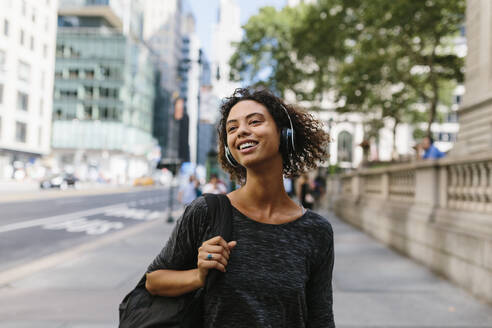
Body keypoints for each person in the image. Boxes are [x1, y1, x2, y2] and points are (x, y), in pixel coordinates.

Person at [145, 87, 335, 327]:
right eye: (232, 128)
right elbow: (153, 281)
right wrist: (199, 275)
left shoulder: (316, 230)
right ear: (229, 148)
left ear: (284, 133)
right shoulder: (206, 211)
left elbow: (321, 318)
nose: (242, 131)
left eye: (255, 122)